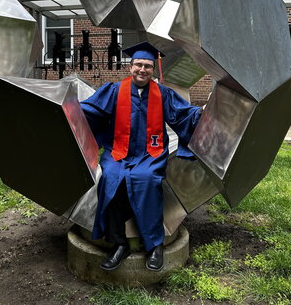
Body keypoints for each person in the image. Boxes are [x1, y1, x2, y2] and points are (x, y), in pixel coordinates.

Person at [80, 42, 203, 272]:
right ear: (130, 67)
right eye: (138, 65)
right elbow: (92, 110)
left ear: (153, 70)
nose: (142, 70)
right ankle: (119, 243)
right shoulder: (115, 91)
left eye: (147, 66)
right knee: (110, 179)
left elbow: (184, 116)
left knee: (146, 180)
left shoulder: (163, 94)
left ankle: (154, 245)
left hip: (150, 155)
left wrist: (201, 113)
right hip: (118, 153)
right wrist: (70, 109)